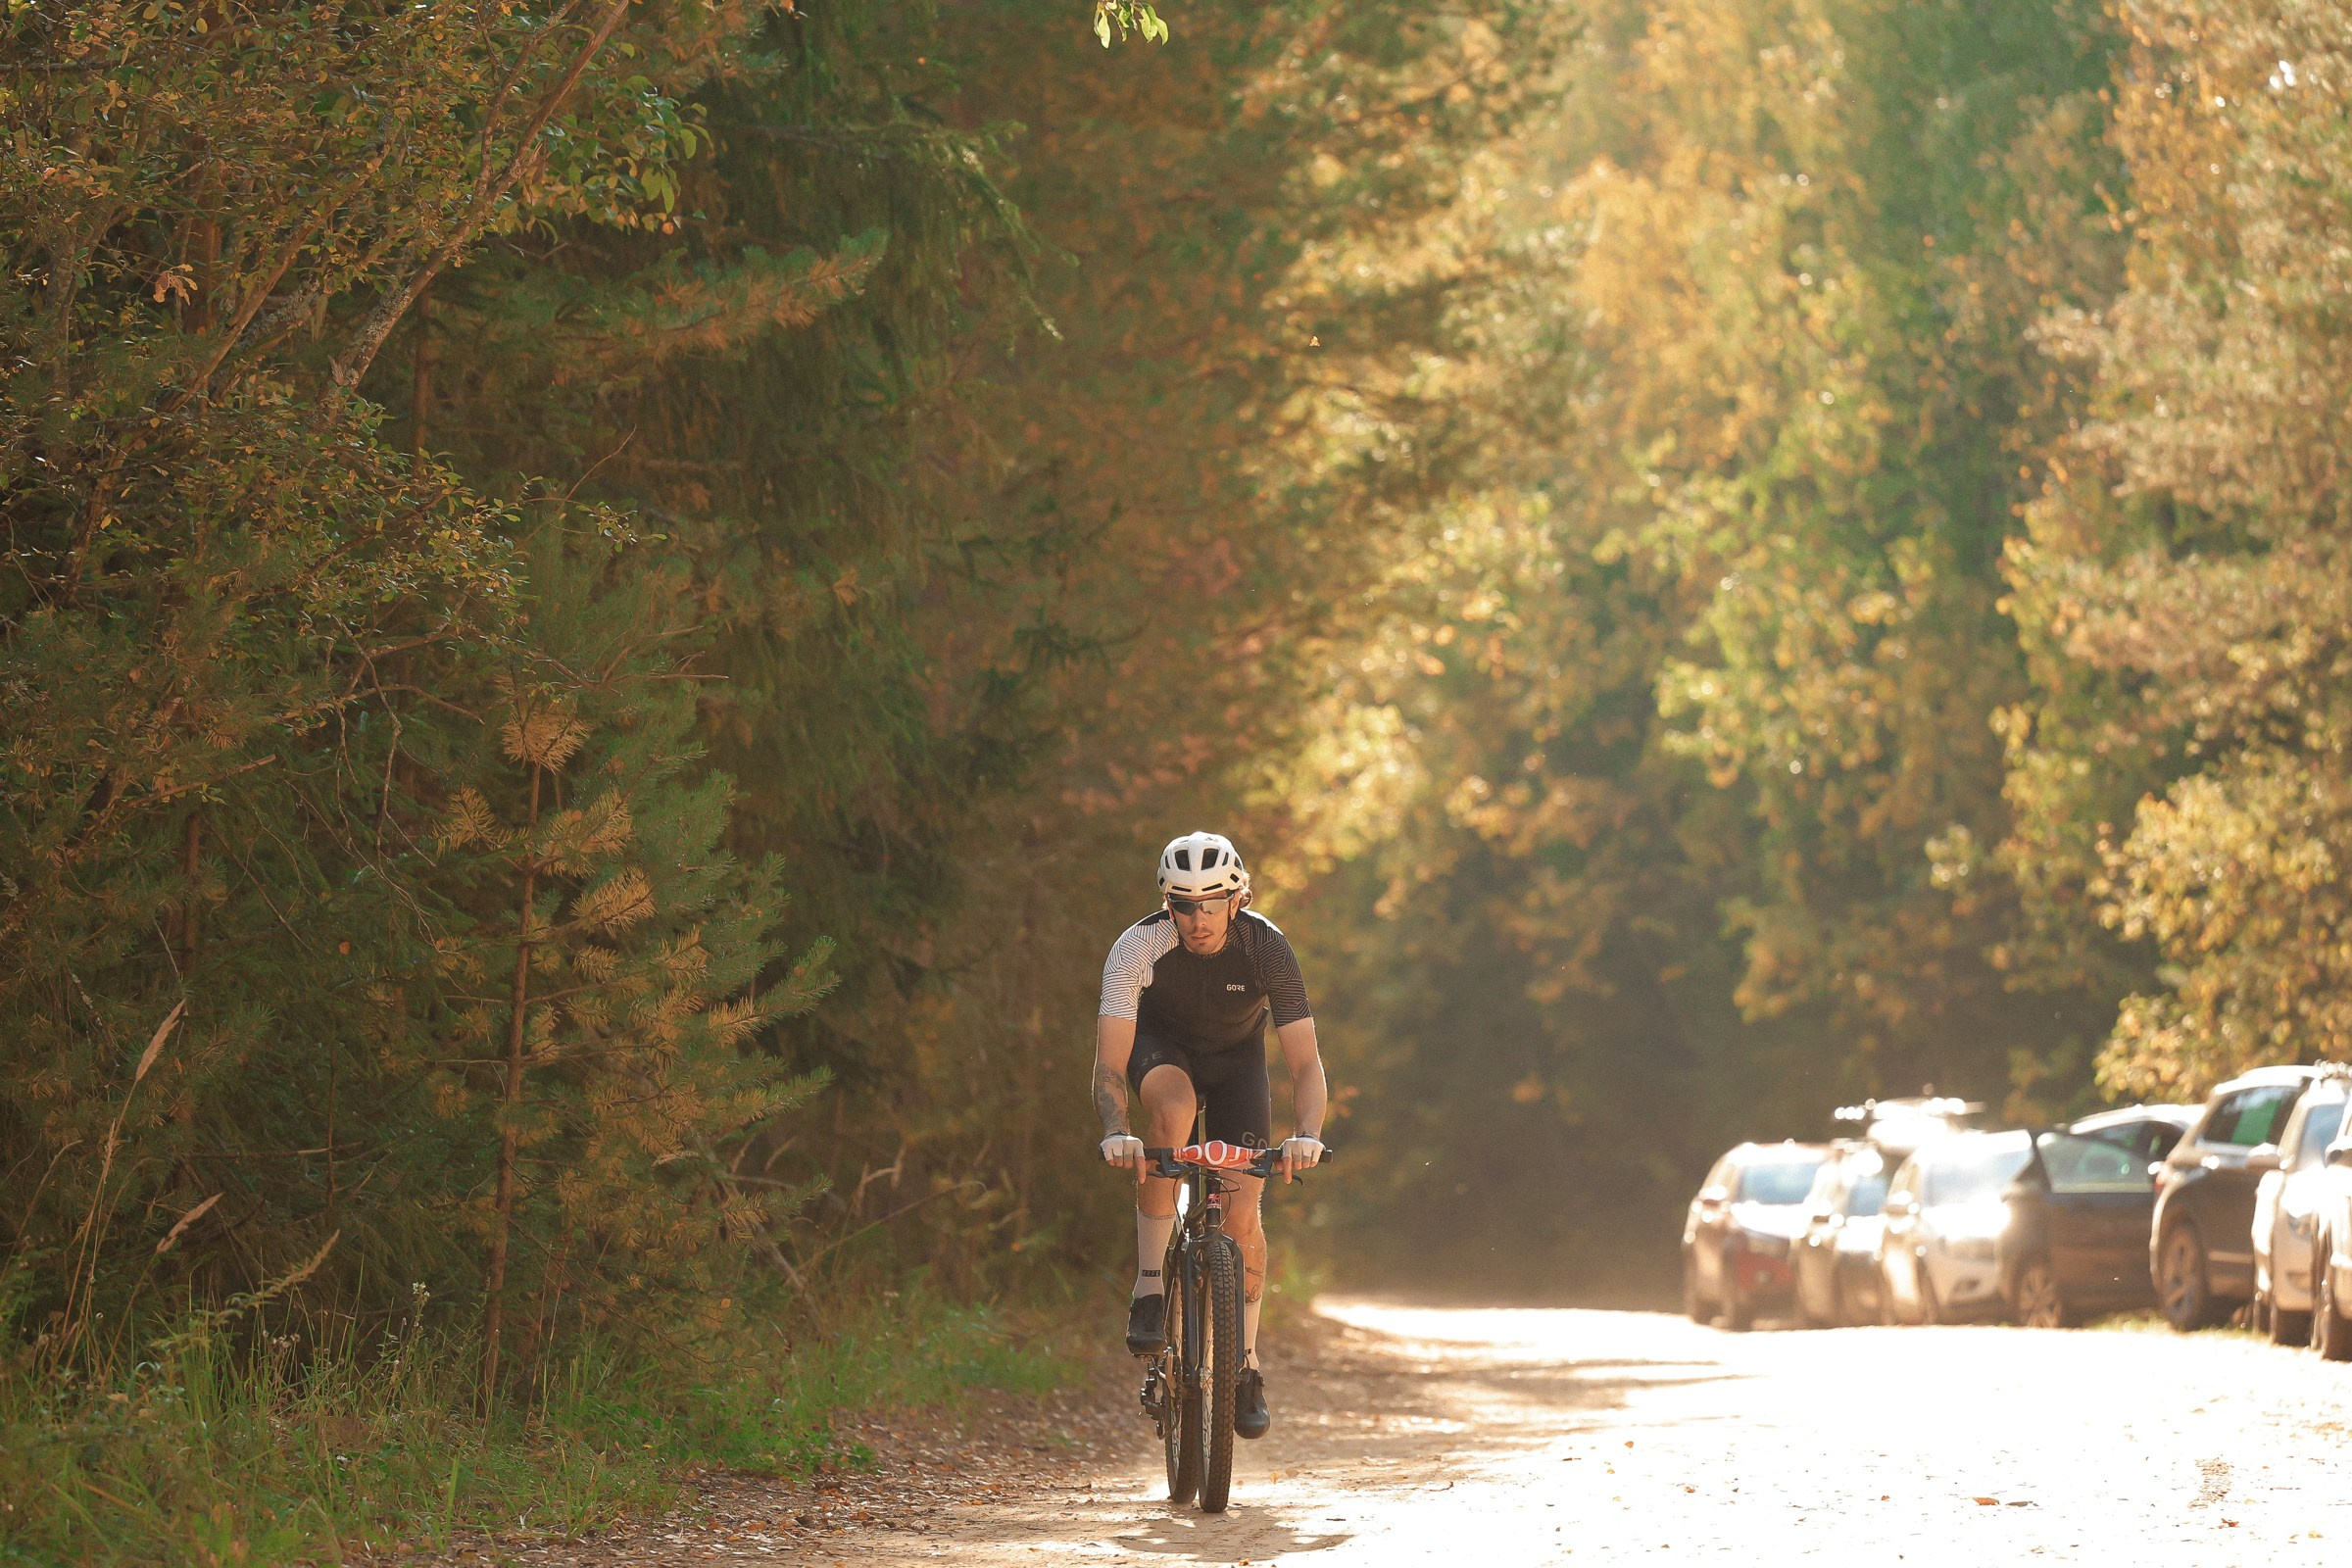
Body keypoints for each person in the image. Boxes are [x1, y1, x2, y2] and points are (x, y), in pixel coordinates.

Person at [1093, 830, 1328, 1440]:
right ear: (1167, 905)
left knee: (1244, 1211)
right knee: (1170, 1118)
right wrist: (1116, 1131)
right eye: (1182, 905)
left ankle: (1245, 1365)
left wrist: (1307, 1134)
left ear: (1237, 897)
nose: (1197, 920)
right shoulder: (1136, 946)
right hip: (1162, 1054)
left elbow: (1304, 1061)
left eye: (1212, 902)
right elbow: (1109, 1064)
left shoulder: (1267, 946)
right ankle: (1149, 1287)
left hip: (1237, 1065)